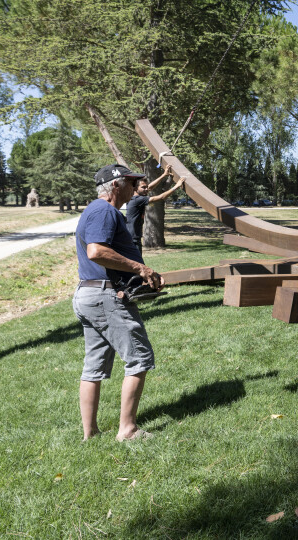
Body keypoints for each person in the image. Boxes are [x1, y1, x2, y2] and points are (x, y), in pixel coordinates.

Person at [73, 164, 165, 442]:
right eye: (131, 181)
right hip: (104, 296)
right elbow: (97, 251)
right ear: (115, 185)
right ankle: (128, 430)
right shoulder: (104, 210)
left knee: (94, 367)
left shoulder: (95, 210)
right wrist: (140, 268)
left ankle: (90, 434)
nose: (135, 186)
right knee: (140, 357)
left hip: (88, 293)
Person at [126, 165, 185, 253]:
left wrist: (164, 175)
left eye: (146, 187)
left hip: (131, 237)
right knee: (137, 264)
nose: (146, 189)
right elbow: (160, 197)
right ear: (135, 188)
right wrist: (176, 186)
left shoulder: (133, 196)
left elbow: (150, 187)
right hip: (132, 239)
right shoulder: (138, 200)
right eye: (143, 187)